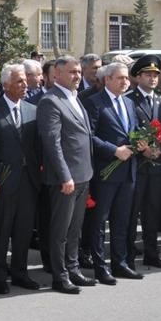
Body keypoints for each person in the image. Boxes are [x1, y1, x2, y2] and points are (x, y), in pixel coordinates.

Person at [37, 56, 100, 294]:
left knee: (75, 229)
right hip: (66, 178)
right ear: (57, 75)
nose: (77, 76)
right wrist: (65, 176)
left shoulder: (75, 98)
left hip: (83, 173)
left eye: (78, 72)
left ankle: (73, 270)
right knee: (60, 231)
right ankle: (60, 276)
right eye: (72, 72)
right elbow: (52, 143)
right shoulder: (50, 101)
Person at [84, 61, 140, 284]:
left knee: (122, 220)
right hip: (105, 173)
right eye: (120, 78)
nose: (125, 82)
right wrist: (113, 150)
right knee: (99, 222)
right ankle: (100, 266)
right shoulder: (94, 103)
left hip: (127, 172)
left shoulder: (128, 102)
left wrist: (140, 143)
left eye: (127, 78)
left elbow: (132, 132)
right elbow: (89, 136)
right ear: (107, 79)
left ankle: (120, 262)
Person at [0, 62, 42, 292]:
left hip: (28, 179)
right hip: (5, 180)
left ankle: (20, 272)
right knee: (2, 230)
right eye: (19, 81)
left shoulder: (32, 109)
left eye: (25, 80)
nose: (25, 85)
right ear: (6, 84)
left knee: (23, 229)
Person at [125, 55, 161, 269]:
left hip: (156, 165)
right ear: (138, 76)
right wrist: (143, 149)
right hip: (136, 164)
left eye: (155, 75)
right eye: (148, 74)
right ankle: (127, 254)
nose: (153, 78)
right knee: (132, 213)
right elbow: (128, 130)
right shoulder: (129, 99)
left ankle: (152, 253)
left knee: (153, 212)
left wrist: (159, 149)